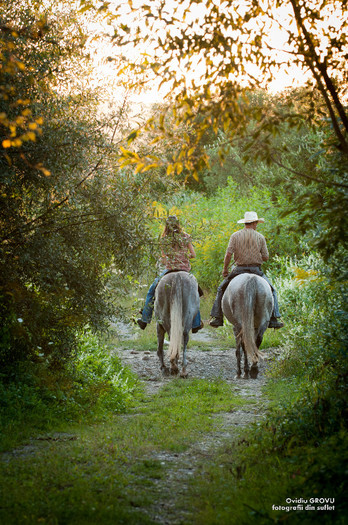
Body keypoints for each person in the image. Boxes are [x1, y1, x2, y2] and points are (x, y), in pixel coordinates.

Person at [209, 211, 284, 329]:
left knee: (221, 289)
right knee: (272, 290)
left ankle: (217, 317)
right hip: (256, 270)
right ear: (254, 223)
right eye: (256, 223)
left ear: (245, 223)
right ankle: (274, 317)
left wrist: (225, 269)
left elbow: (228, 255)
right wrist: (257, 256)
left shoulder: (235, 235)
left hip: (239, 270)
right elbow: (266, 257)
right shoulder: (260, 237)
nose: (257, 225)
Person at [137, 215, 204, 333]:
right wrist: (184, 256)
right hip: (184, 271)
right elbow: (193, 254)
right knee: (194, 294)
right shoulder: (186, 237)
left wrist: (168, 259)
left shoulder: (164, 239)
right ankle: (196, 323)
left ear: (167, 226)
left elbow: (163, 260)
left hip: (169, 270)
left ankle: (145, 319)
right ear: (178, 224)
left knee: (151, 291)